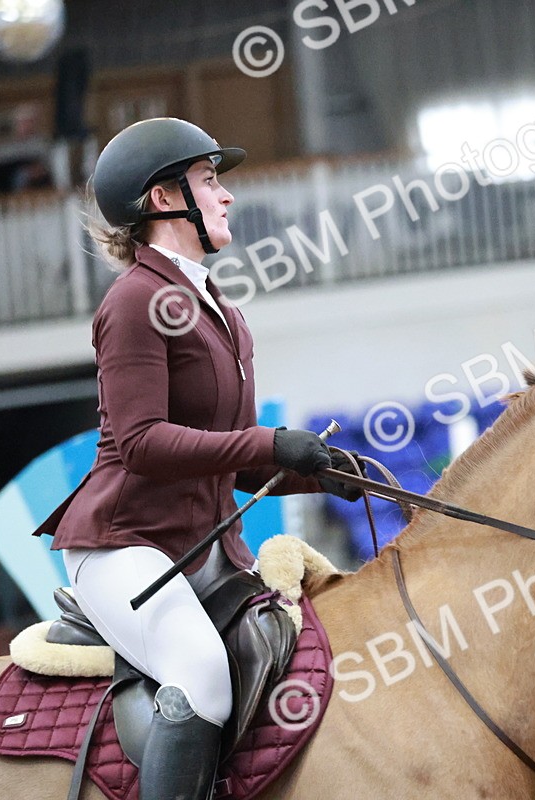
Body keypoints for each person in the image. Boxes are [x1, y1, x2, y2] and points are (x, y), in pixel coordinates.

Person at [32, 117, 362, 800]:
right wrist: (272, 441)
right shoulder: (133, 302)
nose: (227, 196)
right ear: (163, 199)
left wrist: (318, 473)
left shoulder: (222, 313)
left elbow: (233, 465)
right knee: (202, 672)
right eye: (211, 180)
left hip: (205, 550)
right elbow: (145, 443)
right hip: (126, 544)